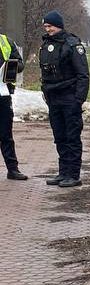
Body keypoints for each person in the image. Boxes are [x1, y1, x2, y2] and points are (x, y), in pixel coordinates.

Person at [39, 10, 89, 188]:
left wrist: (78, 100)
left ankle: (73, 175)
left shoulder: (72, 44)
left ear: (58, 25)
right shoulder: (46, 45)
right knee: (59, 137)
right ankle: (63, 173)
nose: (48, 29)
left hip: (70, 98)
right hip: (54, 99)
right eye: (45, 26)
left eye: (50, 26)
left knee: (72, 137)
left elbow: (83, 75)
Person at [0, 28, 28, 180]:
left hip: (3, 94)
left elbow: (21, 64)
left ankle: (13, 169)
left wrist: (11, 67)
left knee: (6, 134)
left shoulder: (5, 41)